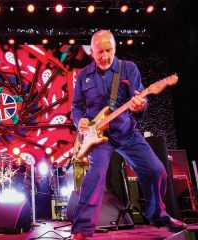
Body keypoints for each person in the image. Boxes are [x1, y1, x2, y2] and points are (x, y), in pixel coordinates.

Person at [69, 30, 186, 239]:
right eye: (99, 52)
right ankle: (81, 230)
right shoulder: (83, 75)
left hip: (126, 132)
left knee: (156, 171)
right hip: (99, 137)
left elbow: (140, 100)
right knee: (94, 177)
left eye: (108, 50)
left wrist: (139, 105)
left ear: (114, 48)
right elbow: (76, 106)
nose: (104, 56)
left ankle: (159, 216)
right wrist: (81, 121)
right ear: (92, 52)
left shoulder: (128, 68)